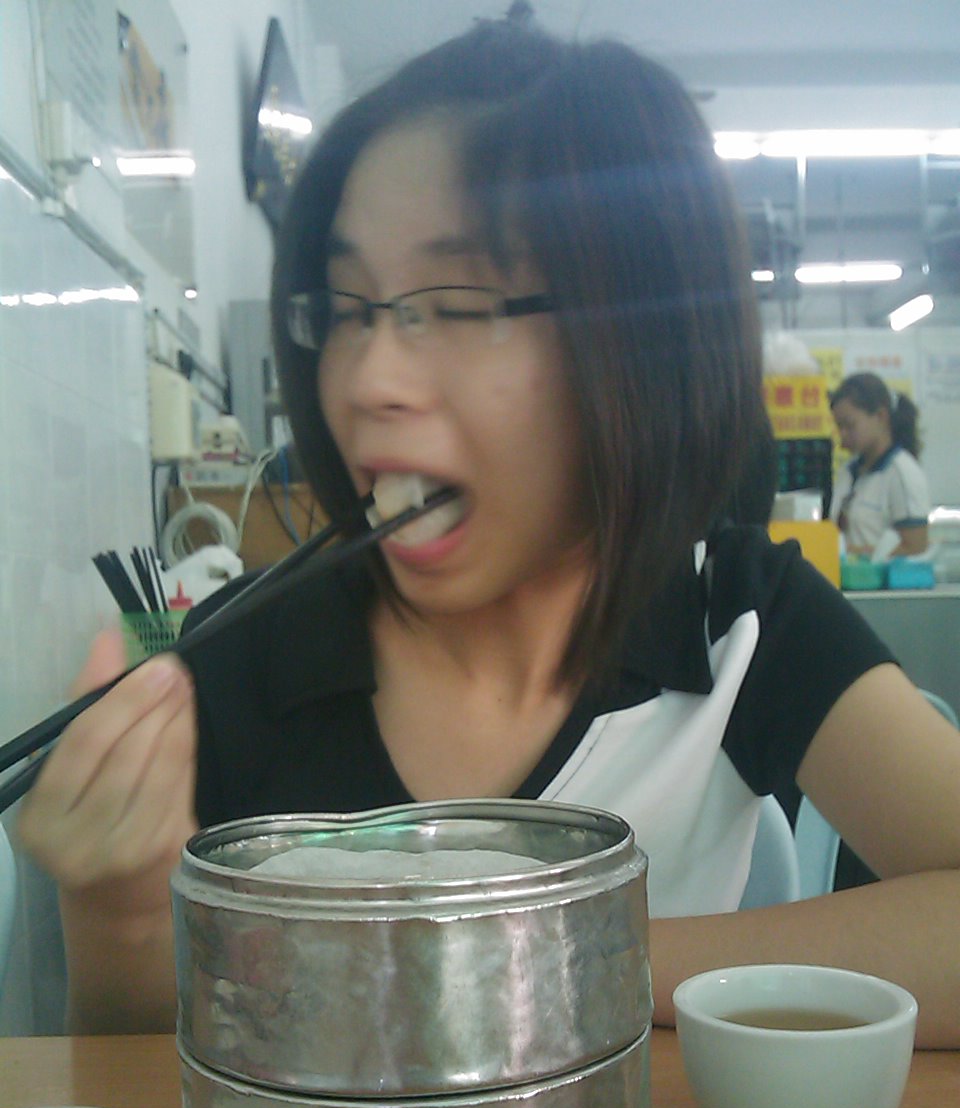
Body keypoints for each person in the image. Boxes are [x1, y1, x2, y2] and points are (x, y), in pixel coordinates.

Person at [16, 17, 960, 1047]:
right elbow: (144, 1080)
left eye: (456, 303)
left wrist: (559, 960)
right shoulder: (243, 663)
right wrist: (116, 915)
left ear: (639, 339)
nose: (367, 380)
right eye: (347, 307)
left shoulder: (734, 621)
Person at [829, 372, 930, 557]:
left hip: (880, 576)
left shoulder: (902, 473)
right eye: (838, 427)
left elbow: (916, 548)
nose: (842, 435)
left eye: (849, 426)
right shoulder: (847, 472)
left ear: (881, 416)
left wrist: (856, 556)